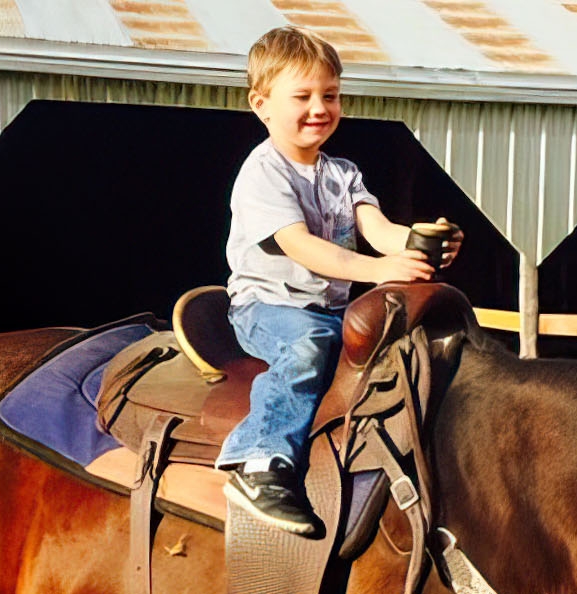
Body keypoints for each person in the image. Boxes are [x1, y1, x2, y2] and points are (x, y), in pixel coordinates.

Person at [219, 26, 462, 536]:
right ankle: (259, 462)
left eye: (329, 95)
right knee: (307, 348)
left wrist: (421, 241)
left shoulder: (343, 173)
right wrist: (378, 271)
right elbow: (300, 246)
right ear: (261, 105)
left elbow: (379, 230)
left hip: (327, 308)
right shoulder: (263, 173)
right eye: (302, 96)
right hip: (268, 305)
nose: (319, 108)